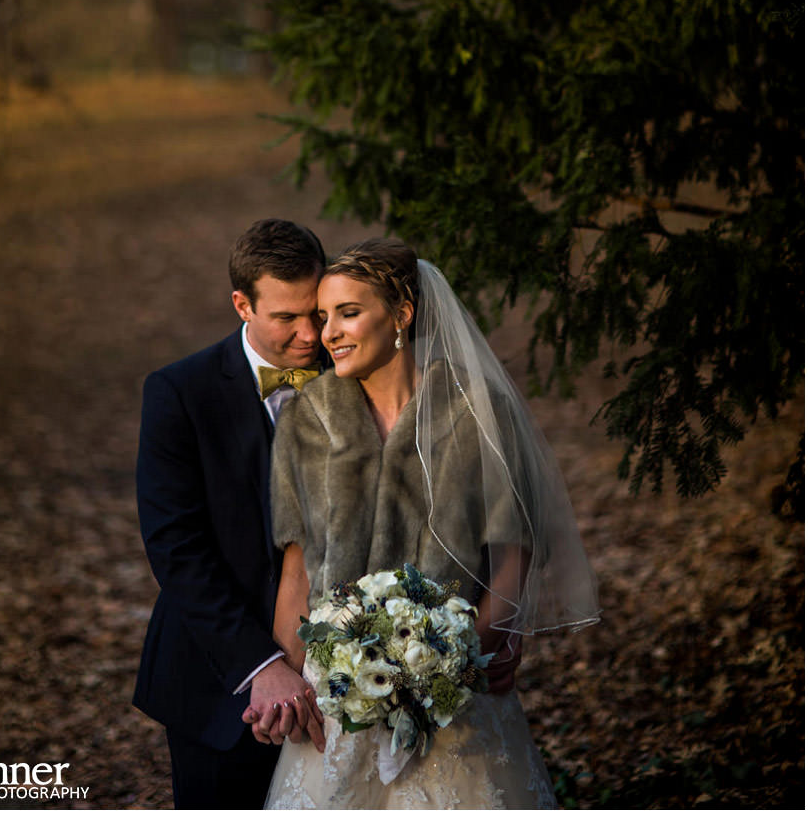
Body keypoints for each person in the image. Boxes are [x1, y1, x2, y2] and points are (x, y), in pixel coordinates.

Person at [249, 237, 599, 809]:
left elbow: (514, 550)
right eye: (322, 316)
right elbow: (298, 568)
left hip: (457, 686)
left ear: (402, 315)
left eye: (348, 312)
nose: (328, 332)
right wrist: (292, 680)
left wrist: (466, 657)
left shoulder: (475, 408)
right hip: (338, 697)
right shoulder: (305, 421)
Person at [133, 218, 328, 810]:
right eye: (285, 318)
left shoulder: (354, 373)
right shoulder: (178, 392)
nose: (308, 335)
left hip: (341, 672)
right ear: (242, 304)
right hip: (218, 680)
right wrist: (260, 665)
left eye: (316, 313)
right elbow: (176, 547)